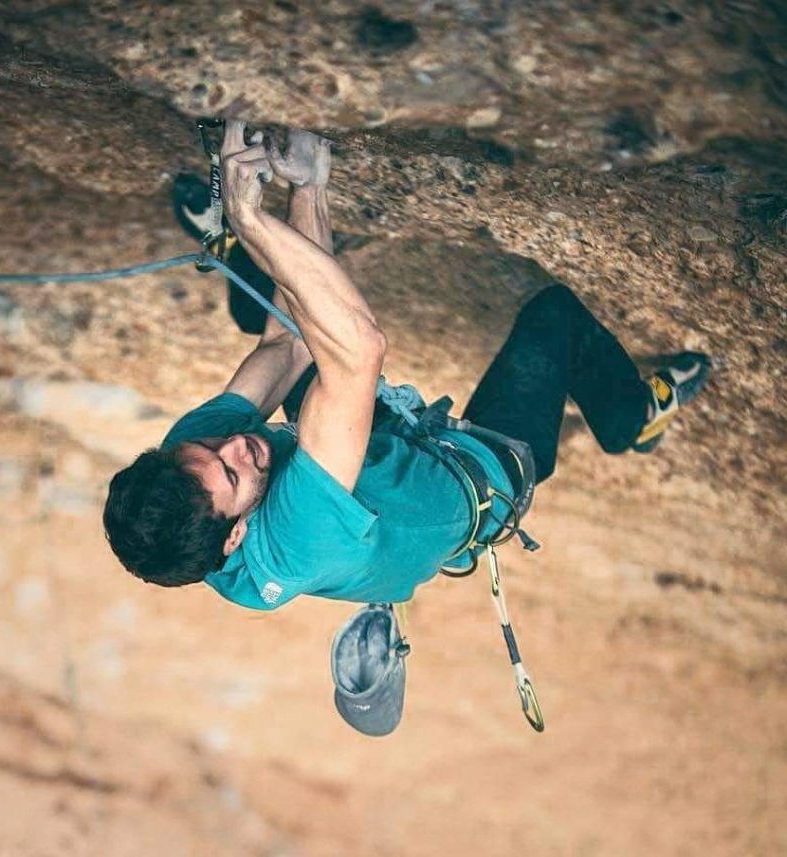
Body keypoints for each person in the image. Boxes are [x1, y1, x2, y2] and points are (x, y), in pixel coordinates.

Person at [102, 120, 710, 610]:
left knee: (284, 326)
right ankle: (632, 419)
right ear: (235, 535)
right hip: (473, 479)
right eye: (231, 474)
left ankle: (250, 262)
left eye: (210, 448)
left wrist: (308, 186)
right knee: (554, 319)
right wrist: (252, 221)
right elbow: (360, 348)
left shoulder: (186, 474)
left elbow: (285, 345)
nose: (235, 444)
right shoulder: (295, 541)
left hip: (365, 470)